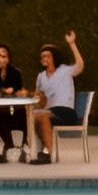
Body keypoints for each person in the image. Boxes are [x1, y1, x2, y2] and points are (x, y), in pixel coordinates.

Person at [29, 30, 84, 165]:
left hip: (66, 112)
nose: (44, 59)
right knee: (32, 116)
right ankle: (35, 151)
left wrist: (72, 44)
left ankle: (47, 153)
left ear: (54, 57)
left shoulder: (64, 70)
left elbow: (80, 66)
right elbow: (40, 102)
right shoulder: (41, 76)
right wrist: (38, 97)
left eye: (47, 56)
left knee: (40, 115)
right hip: (49, 112)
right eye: (42, 57)